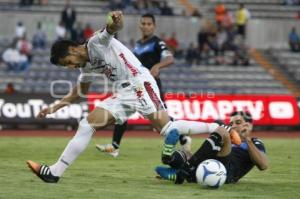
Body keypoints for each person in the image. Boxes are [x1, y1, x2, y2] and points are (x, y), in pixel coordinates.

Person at [26, 11, 229, 183]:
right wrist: (54, 107)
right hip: (123, 93)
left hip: (140, 83)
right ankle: (55, 173)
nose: (70, 66)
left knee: (167, 129)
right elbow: (80, 92)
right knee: (87, 124)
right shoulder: (86, 66)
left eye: (67, 62)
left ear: (72, 49)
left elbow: (113, 29)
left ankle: (217, 128)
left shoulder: (96, 42)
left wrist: (116, 20)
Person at [96, 13, 174, 157]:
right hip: (136, 84)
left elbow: (170, 58)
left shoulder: (157, 42)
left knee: (161, 120)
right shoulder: (138, 44)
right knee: (122, 112)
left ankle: (183, 138)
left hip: (151, 85)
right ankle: (114, 146)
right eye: (143, 24)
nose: (146, 26)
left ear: (154, 26)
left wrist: (158, 65)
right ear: (140, 25)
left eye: (149, 24)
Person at [156, 111, 268, 184]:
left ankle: (185, 170)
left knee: (221, 130)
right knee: (181, 154)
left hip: (227, 173)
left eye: (237, 122)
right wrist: (188, 152)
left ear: (247, 125)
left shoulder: (255, 142)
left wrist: (247, 139)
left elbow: (263, 165)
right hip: (211, 166)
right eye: (231, 123)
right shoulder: (227, 138)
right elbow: (202, 156)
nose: (232, 125)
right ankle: (171, 161)